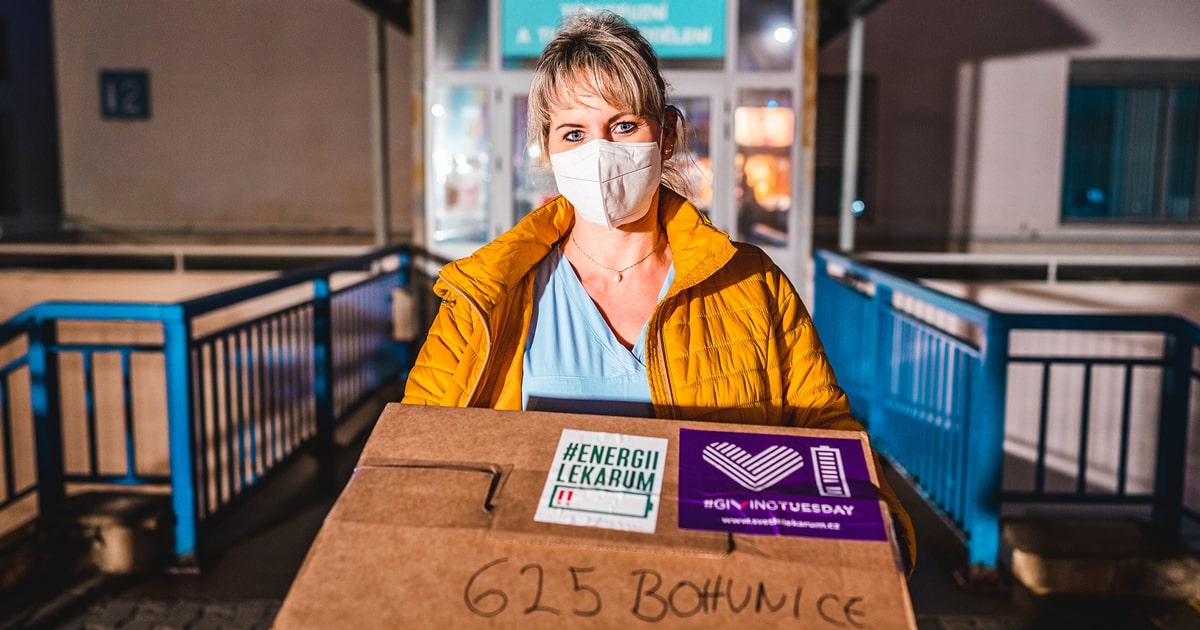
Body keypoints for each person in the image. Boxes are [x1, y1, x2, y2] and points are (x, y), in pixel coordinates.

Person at [401, 10, 914, 575]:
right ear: (547, 152)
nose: (600, 152)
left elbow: (825, 432)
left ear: (666, 134)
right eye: (574, 133)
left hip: (711, 590)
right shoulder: (487, 299)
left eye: (623, 126)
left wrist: (878, 526)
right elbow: (417, 462)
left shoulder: (750, 284)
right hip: (529, 587)